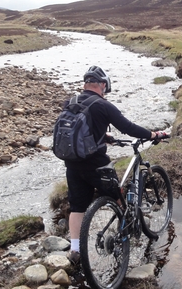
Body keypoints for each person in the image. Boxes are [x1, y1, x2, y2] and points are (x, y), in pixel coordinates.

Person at [64, 65, 167, 264]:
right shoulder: (103, 105)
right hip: (96, 164)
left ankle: (75, 251)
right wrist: (154, 135)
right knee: (118, 197)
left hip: (72, 163)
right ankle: (125, 234)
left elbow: (77, 131)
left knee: (77, 207)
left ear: (86, 83)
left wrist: (105, 136)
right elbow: (128, 127)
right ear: (103, 85)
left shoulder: (71, 101)